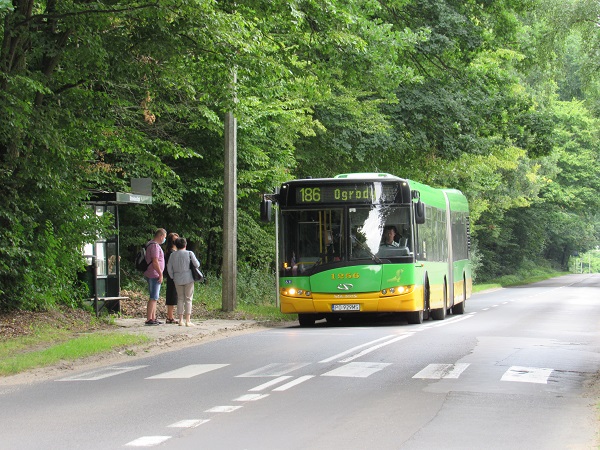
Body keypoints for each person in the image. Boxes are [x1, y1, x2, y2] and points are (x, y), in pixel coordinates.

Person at [167, 237, 200, 327]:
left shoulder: (172, 255)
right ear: (185, 245)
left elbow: (169, 268)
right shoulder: (189, 253)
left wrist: (173, 277)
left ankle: (180, 320)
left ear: (176, 245)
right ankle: (188, 320)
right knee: (188, 299)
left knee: (180, 299)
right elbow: (197, 264)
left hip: (177, 278)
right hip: (188, 278)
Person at [143, 228, 167, 326]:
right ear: (161, 236)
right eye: (164, 237)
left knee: (155, 297)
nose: (164, 239)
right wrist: (160, 273)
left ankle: (153, 317)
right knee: (153, 296)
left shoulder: (152, 245)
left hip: (154, 273)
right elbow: (155, 261)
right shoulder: (154, 246)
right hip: (154, 274)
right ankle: (149, 318)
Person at [163, 232, 179, 324]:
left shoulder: (174, 251)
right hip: (172, 275)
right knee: (171, 295)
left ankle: (171, 315)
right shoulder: (170, 252)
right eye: (174, 239)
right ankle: (170, 316)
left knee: (174, 295)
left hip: (174, 275)